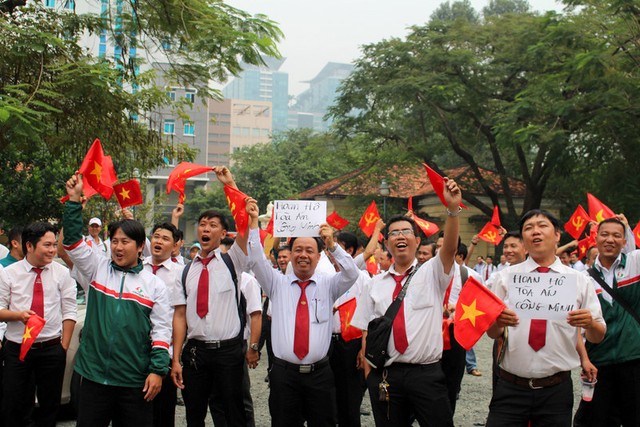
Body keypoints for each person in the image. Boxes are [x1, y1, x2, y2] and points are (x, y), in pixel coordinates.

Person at [63, 172, 173, 427]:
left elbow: (161, 332)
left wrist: (157, 371)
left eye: (125, 242)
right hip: (94, 378)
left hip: (134, 382)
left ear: (140, 246)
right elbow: (72, 243)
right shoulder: (97, 268)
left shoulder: (154, 285)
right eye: (114, 241)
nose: (118, 247)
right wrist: (73, 201)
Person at [352, 177, 463, 427]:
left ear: (417, 241)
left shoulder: (433, 272)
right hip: (387, 376)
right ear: (387, 243)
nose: (400, 236)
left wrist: (453, 210)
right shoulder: (373, 284)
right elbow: (367, 330)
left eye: (406, 232)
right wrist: (370, 373)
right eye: (394, 233)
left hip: (427, 375)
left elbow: (449, 249)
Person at [486, 209, 606, 426]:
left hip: (556, 390)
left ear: (557, 235)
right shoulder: (504, 278)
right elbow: (492, 333)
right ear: (523, 239)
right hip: (510, 388)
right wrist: (498, 322)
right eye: (528, 228)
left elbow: (597, 336)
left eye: (542, 226)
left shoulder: (579, 281)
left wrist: (589, 323)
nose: (535, 232)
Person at [245, 200, 360, 427]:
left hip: (320, 375)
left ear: (319, 256)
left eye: (309, 250)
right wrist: (253, 223)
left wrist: (333, 245)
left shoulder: (329, 284)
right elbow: (256, 259)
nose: (303, 255)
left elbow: (352, 273)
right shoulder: (276, 283)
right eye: (298, 250)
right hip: (284, 375)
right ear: (290, 254)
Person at [171, 167, 250, 427]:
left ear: (223, 234)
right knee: (194, 413)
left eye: (213, 225)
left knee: (233, 413)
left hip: (228, 352)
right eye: (203, 224)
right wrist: (176, 359)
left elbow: (243, 223)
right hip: (196, 353)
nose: (206, 229)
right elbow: (179, 316)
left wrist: (231, 185)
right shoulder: (185, 272)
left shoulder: (232, 261)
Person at [0, 222, 77, 427]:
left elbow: (69, 311)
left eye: (54, 245)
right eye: (47, 245)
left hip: (51, 349)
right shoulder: (8, 273)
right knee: (14, 404)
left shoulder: (62, 273)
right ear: (29, 246)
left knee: (49, 406)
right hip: (18, 349)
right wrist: (18, 316)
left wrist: (63, 346)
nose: (52, 250)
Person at [573, 218, 640, 427]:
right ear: (596, 238)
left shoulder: (635, 264)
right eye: (604, 234)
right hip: (598, 362)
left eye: (616, 235)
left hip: (633, 359)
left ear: (624, 241)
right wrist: (584, 359)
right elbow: (575, 327)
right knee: (596, 420)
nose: (610, 239)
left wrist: (628, 227)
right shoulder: (582, 279)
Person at [143, 222, 184, 427]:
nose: (158, 241)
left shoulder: (180, 273)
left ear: (175, 245)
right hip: (135, 352)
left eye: (165, 238)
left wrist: (175, 359)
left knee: (162, 413)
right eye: (156, 236)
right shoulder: (137, 267)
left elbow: (180, 316)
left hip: (164, 352)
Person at [332, 231, 372, 427]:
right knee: (328, 396)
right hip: (327, 344)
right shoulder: (323, 273)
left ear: (349, 251)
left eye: (335, 246)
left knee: (350, 397)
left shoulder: (362, 278)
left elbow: (369, 315)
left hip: (351, 343)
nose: (330, 251)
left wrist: (363, 349)